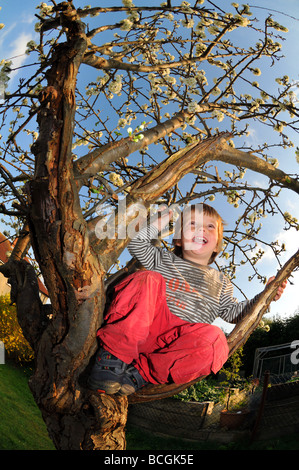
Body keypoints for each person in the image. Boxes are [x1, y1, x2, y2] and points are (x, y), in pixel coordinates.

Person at [88, 203, 286, 395]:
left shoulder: (222, 282)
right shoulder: (163, 259)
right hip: (142, 328)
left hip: (177, 344)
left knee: (217, 340)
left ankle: (140, 374)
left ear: (217, 244)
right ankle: (113, 357)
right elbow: (137, 243)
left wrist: (265, 296)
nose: (202, 230)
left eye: (210, 226)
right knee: (147, 278)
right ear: (179, 239)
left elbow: (234, 313)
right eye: (192, 225)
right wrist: (160, 221)